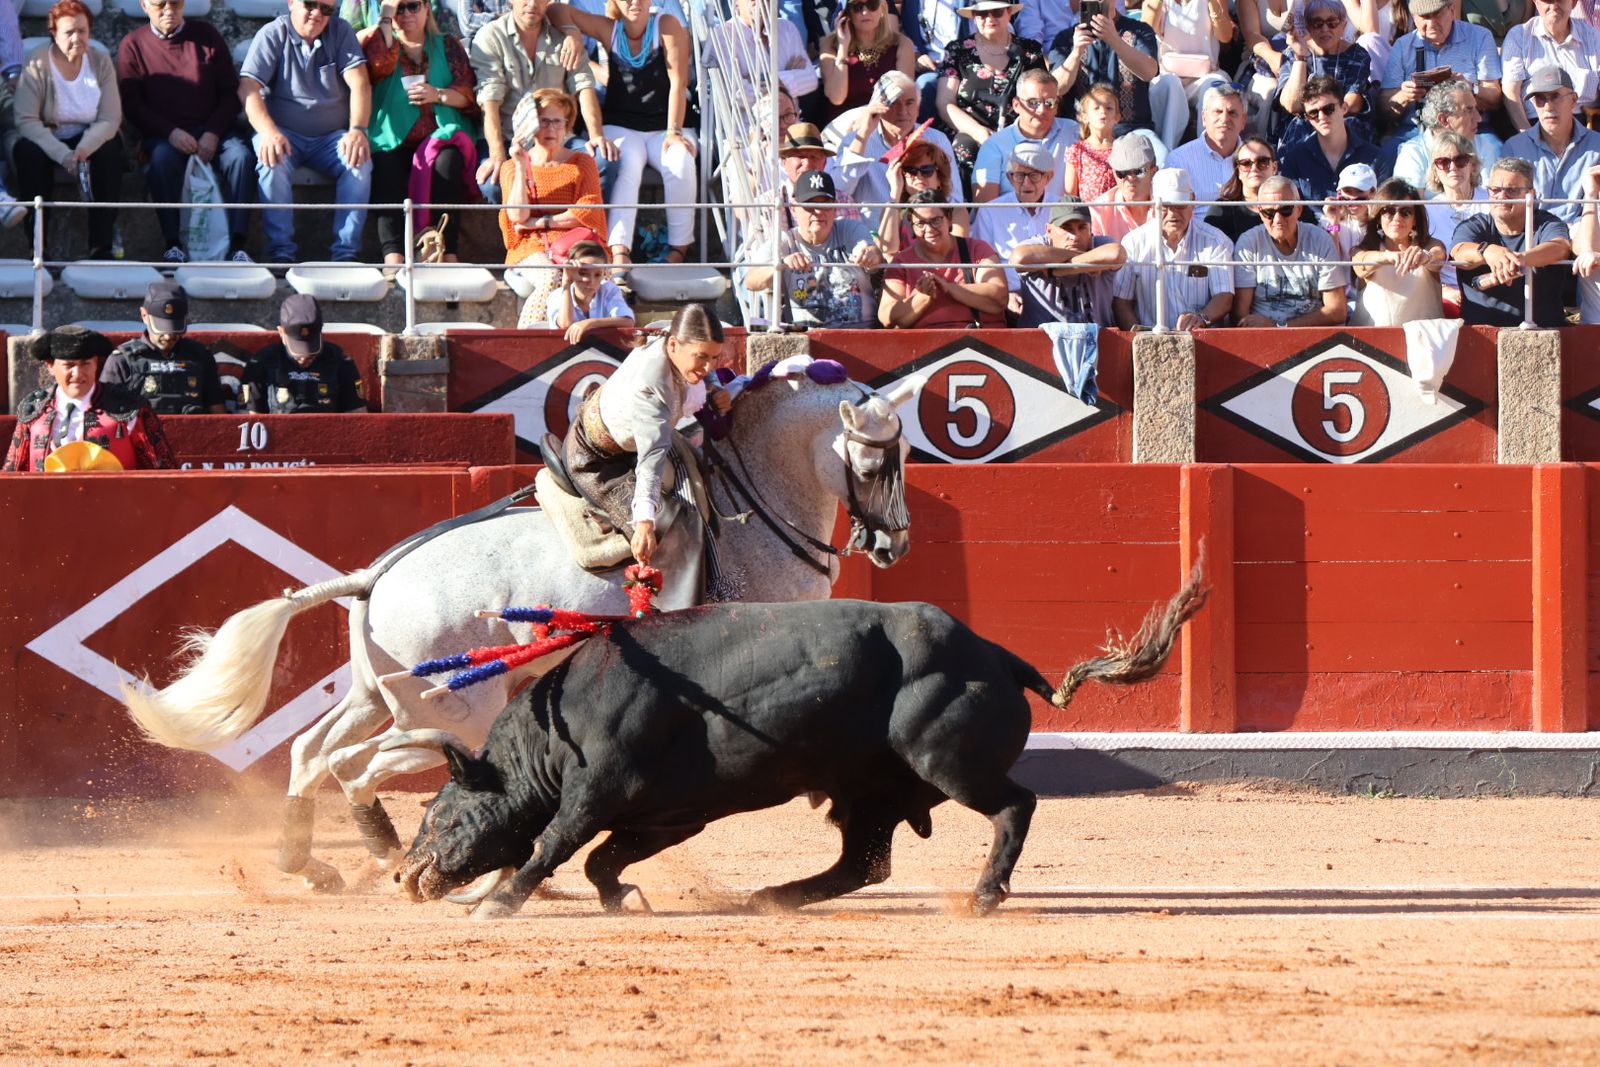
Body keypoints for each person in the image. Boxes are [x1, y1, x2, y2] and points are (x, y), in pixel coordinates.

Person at [561, 302, 731, 567]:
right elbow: (651, 460)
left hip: (639, 440)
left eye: (714, 358)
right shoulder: (651, 386)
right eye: (701, 357)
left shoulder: (670, 334)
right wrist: (643, 523)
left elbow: (705, 370)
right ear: (673, 345)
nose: (708, 367)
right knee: (667, 539)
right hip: (595, 459)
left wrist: (714, 387)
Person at [547, 0, 697, 273]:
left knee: (679, 162)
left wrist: (674, 130)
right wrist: (572, 32)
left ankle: (678, 249)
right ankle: (619, 252)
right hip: (623, 124)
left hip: (666, 125)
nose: (633, 2)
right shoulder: (609, 29)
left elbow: (679, 82)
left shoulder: (666, 25)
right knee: (624, 164)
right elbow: (556, 9)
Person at [117, 0, 255, 264]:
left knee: (240, 157)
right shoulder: (132, 45)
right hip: (165, 135)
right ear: (144, 5)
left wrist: (213, 133)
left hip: (213, 130)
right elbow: (133, 105)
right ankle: (173, 244)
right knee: (161, 161)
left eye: (176, 2)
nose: (169, 9)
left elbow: (230, 93)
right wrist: (171, 132)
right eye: (160, 3)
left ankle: (238, 245)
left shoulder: (207, 36)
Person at [241, 0, 373, 264]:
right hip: (283, 134)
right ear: (291, 2)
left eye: (326, 9)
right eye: (310, 4)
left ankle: (345, 255)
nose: (317, 14)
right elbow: (247, 87)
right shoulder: (273, 33)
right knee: (271, 159)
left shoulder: (341, 31)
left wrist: (357, 130)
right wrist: (268, 132)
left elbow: (360, 83)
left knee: (359, 162)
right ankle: (280, 253)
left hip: (331, 138)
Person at [359, 0, 480, 267]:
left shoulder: (448, 45)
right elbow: (377, 63)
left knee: (448, 163)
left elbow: (468, 95)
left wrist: (436, 95)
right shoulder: (385, 46)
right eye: (399, 9)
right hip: (392, 137)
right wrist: (386, 14)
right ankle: (393, 258)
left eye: (412, 6)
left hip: (440, 136)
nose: (406, 14)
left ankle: (448, 254)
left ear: (427, 8)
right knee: (386, 165)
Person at [472, 0, 612, 204]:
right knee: (492, 183)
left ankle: (588, 230)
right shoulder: (490, 36)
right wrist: (497, 155)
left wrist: (596, 135)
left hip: (559, 138)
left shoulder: (565, 36)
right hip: (509, 140)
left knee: (604, 159)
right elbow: (489, 101)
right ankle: (523, 233)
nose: (532, 4)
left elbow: (584, 86)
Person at [13, 1, 122, 258]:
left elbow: (110, 118)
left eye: (82, 31)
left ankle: (101, 247)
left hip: (88, 138)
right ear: (54, 33)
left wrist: (84, 148)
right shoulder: (37, 61)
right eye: (69, 32)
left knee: (110, 153)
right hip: (47, 137)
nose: (77, 38)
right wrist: (63, 154)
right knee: (28, 154)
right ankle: (38, 246)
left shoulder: (100, 61)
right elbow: (26, 120)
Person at [498, 89, 607, 325]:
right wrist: (519, 165)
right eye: (544, 121)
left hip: (574, 242)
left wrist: (538, 222)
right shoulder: (510, 167)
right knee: (551, 278)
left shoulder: (582, 163)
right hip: (530, 245)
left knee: (599, 277)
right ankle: (526, 340)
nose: (551, 129)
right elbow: (517, 215)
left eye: (558, 121)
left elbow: (587, 210)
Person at [4, 326, 175, 472]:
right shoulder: (34, 410)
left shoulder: (129, 409)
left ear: (96, 364)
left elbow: (164, 472)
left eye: (86, 363)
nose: (77, 374)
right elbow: (13, 475)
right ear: (51, 366)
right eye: (69, 365)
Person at [742, 169, 885, 328]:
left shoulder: (850, 229)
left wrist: (871, 254)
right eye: (810, 205)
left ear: (835, 208)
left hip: (864, 335)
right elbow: (751, 281)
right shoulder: (785, 242)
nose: (818, 212)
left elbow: (870, 250)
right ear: (794, 209)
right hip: (810, 340)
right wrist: (781, 264)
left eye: (825, 205)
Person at [935, 0, 1047, 186]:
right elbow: (944, 103)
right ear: (973, 17)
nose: (989, 18)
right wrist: (979, 133)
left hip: (1018, 131)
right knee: (964, 149)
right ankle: (969, 212)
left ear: (1009, 12)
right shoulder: (957, 50)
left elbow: (1042, 96)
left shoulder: (1029, 51)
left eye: (996, 12)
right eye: (982, 14)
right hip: (969, 131)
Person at [1451, 155, 1573, 327]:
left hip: (1543, 333)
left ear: (1530, 194)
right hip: (1481, 335)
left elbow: (1560, 247)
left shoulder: (1548, 223)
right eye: (1495, 190)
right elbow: (1458, 251)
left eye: (1512, 190)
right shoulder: (1475, 225)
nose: (1502, 196)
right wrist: (1489, 252)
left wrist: (1518, 260)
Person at [833, 69, 964, 228]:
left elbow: (954, 201)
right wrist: (864, 134)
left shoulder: (937, 140)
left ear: (918, 108)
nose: (902, 112)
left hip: (926, 236)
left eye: (909, 103)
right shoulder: (857, 140)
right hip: (873, 239)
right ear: (878, 107)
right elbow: (840, 192)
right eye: (894, 103)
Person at [1113, 168, 1236, 330]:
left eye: (1179, 205)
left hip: (1201, 341)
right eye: (1165, 206)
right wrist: (1140, 340)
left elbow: (1225, 296)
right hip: (1150, 341)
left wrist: (1202, 319)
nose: (1172, 213)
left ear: (1193, 201)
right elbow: (1121, 303)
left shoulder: (1217, 241)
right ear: (1152, 204)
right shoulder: (1133, 242)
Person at [1050, 5, 1178, 153]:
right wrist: (1076, 52)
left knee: (1161, 159)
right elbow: (1056, 89)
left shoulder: (1140, 31)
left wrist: (1115, 40)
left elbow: (1149, 72)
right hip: (1079, 131)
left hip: (1132, 131)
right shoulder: (1066, 38)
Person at [1232, 175, 1350, 327]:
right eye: (1269, 212)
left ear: (1299, 209)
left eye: (1286, 210)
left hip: (1312, 335)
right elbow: (1240, 314)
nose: (1277, 220)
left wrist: (1279, 326)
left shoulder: (1320, 239)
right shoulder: (1248, 243)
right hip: (1262, 336)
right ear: (1260, 213)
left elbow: (1337, 311)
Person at [879, 190, 1008, 327]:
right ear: (911, 228)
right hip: (923, 345)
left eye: (935, 220)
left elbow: (999, 297)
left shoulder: (977, 249)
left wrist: (948, 288)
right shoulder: (902, 262)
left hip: (978, 342)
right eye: (920, 224)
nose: (929, 229)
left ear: (949, 219)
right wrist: (924, 296)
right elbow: (887, 317)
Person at [100, 282, 227, 414]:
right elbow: (105, 417)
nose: (168, 337)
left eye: (174, 329)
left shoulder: (201, 356)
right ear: (144, 315)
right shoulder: (122, 360)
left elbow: (217, 414)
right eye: (161, 329)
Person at [1379, 0, 1502, 132]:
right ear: (1414, 17)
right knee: (1388, 152)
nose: (1431, 24)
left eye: (1437, 15)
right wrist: (1404, 95)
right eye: (1424, 17)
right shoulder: (1402, 46)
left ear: (1452, 10)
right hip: (1416, 130)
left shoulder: (1479, 37)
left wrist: (1469, 87)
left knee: (1499, 152)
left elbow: (1495, 98)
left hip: (1471, 129)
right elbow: (1383, 110)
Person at [1010, 195, 1128, 326]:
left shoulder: (1100, 244)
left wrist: (1059, 269)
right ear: (1048, 230)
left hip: (1097, 341)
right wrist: (1083, 260)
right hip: (1039, 342)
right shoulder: (1040, 243)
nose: (1074, 236)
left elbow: (1117, 253)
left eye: (1082, 227)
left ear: (1090, 229)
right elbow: (1019, 258)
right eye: (1066, 228)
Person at [1502, 66, 1600, 223]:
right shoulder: (1514, 148)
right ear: (1533, 104)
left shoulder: (1598, 147)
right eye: (1540, 99)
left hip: (1584, 234)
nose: (1548, 106)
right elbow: (1506, 209)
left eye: (1555, 96)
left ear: (1573, 100)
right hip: (1532, 237)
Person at [242, 294, 367, 413]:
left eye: (311, 350)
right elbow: (248, 420)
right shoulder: (262, 361)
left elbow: (358, 415)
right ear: (281, 332)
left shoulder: (339, 360)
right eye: (298, 350)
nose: (305, 357)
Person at [1276, 0, 1374, 149]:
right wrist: (1301, 57)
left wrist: (1322, 114)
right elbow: (1292, 104)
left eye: (1332, 22)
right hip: (1304, 126)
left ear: (1343, 25)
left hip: (1344, 120)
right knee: (1300, 127)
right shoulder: (1292, 54)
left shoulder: (1357, 54)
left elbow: (1352, 101)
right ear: (1308, 26)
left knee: (1346, 127)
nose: (1325, 29)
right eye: (1317, 23)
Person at [972, 68, 1078, 202]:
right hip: (1012, 221)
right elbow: (986, 207)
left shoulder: (1073, 132)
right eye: (1033, 103)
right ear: (1016, 105)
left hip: (1063, 221)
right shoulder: (995, 145)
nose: (1041, 110)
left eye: (1049, 103)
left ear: (1057, 106)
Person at [1351, 178, 1445, 324]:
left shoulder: (1428, 244)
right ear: (1378, 217)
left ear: (1415, 219)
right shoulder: (1365, 249)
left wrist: (1425, 256)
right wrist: (1387, 257)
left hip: (1424, 341)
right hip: (1371, 342)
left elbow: (1438, 255)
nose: (1397, 218)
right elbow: (1360, 264)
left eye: (1405, 212)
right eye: (1388, 211)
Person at [1278, 74, 1380, 206]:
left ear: (1344, 108)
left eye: (1328, 109)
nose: (1322, 117)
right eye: (1313, 113)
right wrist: (1333, 225)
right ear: (1307, 117)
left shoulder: (1374, 157)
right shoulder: (1294, 159)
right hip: (1311, 226)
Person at [1501, 0, 1600, 133]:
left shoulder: (1593, 36)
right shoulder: (1519, 36)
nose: (1554, 6)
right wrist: (1527, 135)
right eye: (1547, 1)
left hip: (1586, 123)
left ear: (1574, 3)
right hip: (1536, 123)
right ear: (1536, 3)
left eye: (1560, 0)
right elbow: (1511, 93)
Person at [1389, 78, 1504, 191]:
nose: (1478, 118)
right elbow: (1412, 207)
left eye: (1476, 109)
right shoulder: (1413, 153)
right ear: (1443, 119)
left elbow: (1492, 202)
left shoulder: (1486, 146)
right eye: (1469, 110)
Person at [818, 0, 914, 124]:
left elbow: (903, 97)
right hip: (846, 125)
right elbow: (837, 98)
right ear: (846, 13)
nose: (865, 12)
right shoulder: (830, 45)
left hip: (887, 122)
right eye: (857, 7)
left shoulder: (901, 43)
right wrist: (843, 46)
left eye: (872, 5)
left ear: (882, 8)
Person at [1422, 129, 1490, 306]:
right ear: (1435, 171)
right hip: (1445, 293)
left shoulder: (1492, 201)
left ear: (1472, 165)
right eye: (1443, 162)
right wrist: (1444, 290)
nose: (1452, 167)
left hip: (1490, 288)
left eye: (1460, 160)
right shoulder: (1427, 211)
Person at [872, 135, 970, 255]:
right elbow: (887, 248)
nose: (918, 176)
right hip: (904, 273)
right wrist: (895, 191)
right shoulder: (893, 209)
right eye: (911, 170)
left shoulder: (956, 211)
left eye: (927, 170)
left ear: (939, 177)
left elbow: (955, 253)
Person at [970, 141, 1054, 280]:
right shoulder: (990, 212)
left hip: (1055, 294)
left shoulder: (1061, 207)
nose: (1026, 183)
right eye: (1019, 176)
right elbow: (981, 262)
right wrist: (1005, 295)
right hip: (1007, 295)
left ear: (1048, 177)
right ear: (1010, 177)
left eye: (1034, 175)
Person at [1140, 0, 1235, 120]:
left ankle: (1207, 138)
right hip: (1168, 75)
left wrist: (1213, 4)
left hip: (1206, 75)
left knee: (1214, 86)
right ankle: (1167, 139)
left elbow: (1225, 37)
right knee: (1170, 83)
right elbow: (1143, 36)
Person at [1166, 84, 1249, 206]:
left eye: (1232, 113)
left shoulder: (1258, 161)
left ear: (1243, 121)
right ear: (1204, 118)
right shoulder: (1179, 160)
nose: (1225, 119)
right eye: (1218, 112)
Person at [546, 239, 635, 340]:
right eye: (583, 273)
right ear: (571, 272)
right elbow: (565, 324)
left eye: (597, 275)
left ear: (604, 274)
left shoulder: (609, 290)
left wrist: (590, 323)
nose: (591, 281)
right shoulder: (557, 295)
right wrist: (566, 284)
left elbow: (628, 322)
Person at [1208, 135, 1281, 241]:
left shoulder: (1291, 206)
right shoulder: (1221, 210)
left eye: (1262, 161)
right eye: (1246, 164)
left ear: (1274, 167)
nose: (1254, 168)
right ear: (1238, 172)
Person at [1089, 132, 1157, 240]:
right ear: (1114, 173)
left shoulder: (1168, 206)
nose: (1130, 178)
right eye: (1122, 172)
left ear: (1154, 171)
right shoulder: (1098, 210)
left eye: (1138, 171)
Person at [1062, 82, 1118, 200]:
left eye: (1109, 108)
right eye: (1096, 108)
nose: (1103, 112)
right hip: (1088, 214)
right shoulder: (1077, 151)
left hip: (1116, 214)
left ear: (1117, 117)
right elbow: (1071, 196)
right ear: (1084, 117)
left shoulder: (1122, 149)